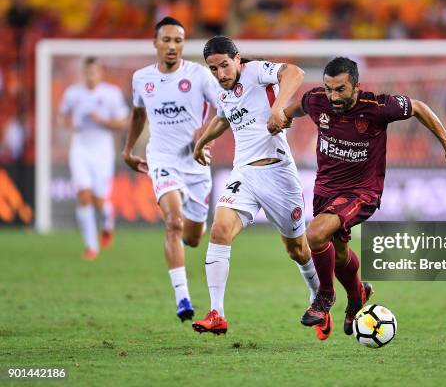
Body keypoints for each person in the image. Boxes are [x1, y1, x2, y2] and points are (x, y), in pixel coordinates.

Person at [282, 57, 446, 340]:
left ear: (356, 85)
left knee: (315, 235)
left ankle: (325, 296)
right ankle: (357, 295)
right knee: (339, 254)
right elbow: (296, 108)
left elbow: (418, 107)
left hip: (361, 190)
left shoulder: (378, 107)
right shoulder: (317, 100)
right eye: (329, 88)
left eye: (340, 89)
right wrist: (279, 118)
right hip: (326, 189)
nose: (333, 96)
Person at [190, 36, 319, 335]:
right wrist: (201, 142)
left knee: (298, 250)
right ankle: (216, 313)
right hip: (243, 175)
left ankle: (318, 296)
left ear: (237, 58)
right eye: (213, 69)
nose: (221, 74)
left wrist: (279, 108)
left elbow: (295, 72)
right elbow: (223, 119)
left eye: (224, 65)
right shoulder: (224, 93)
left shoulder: (256, 71)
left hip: (278, 175)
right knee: (220, 229)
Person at [122, 17, 220, 322]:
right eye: (166, 40)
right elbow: (138, 113)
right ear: (155, 43)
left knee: (192, 237)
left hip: (196, 165)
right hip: (162, 161)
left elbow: (225, 107)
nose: (172, 46)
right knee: (173, 223)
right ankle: (183, 298)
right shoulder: (141, 79)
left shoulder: (200, 76)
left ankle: (193, 230)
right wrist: (128, 150)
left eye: (178, 40)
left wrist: (204, 138)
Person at [59, 57, 128, 260]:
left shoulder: (111, 94)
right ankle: (91, 246)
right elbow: (63, 116)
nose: (91, 76)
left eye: (94, 72)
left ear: (100, 73)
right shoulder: (73, 93)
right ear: (83, 73)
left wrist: (102, 121)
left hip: (102, 150)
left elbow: (122, 123)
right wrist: (69, 122)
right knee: (83, 196)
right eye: (87, 72)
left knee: (99, 200)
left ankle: (107, 223)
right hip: (80, 147)